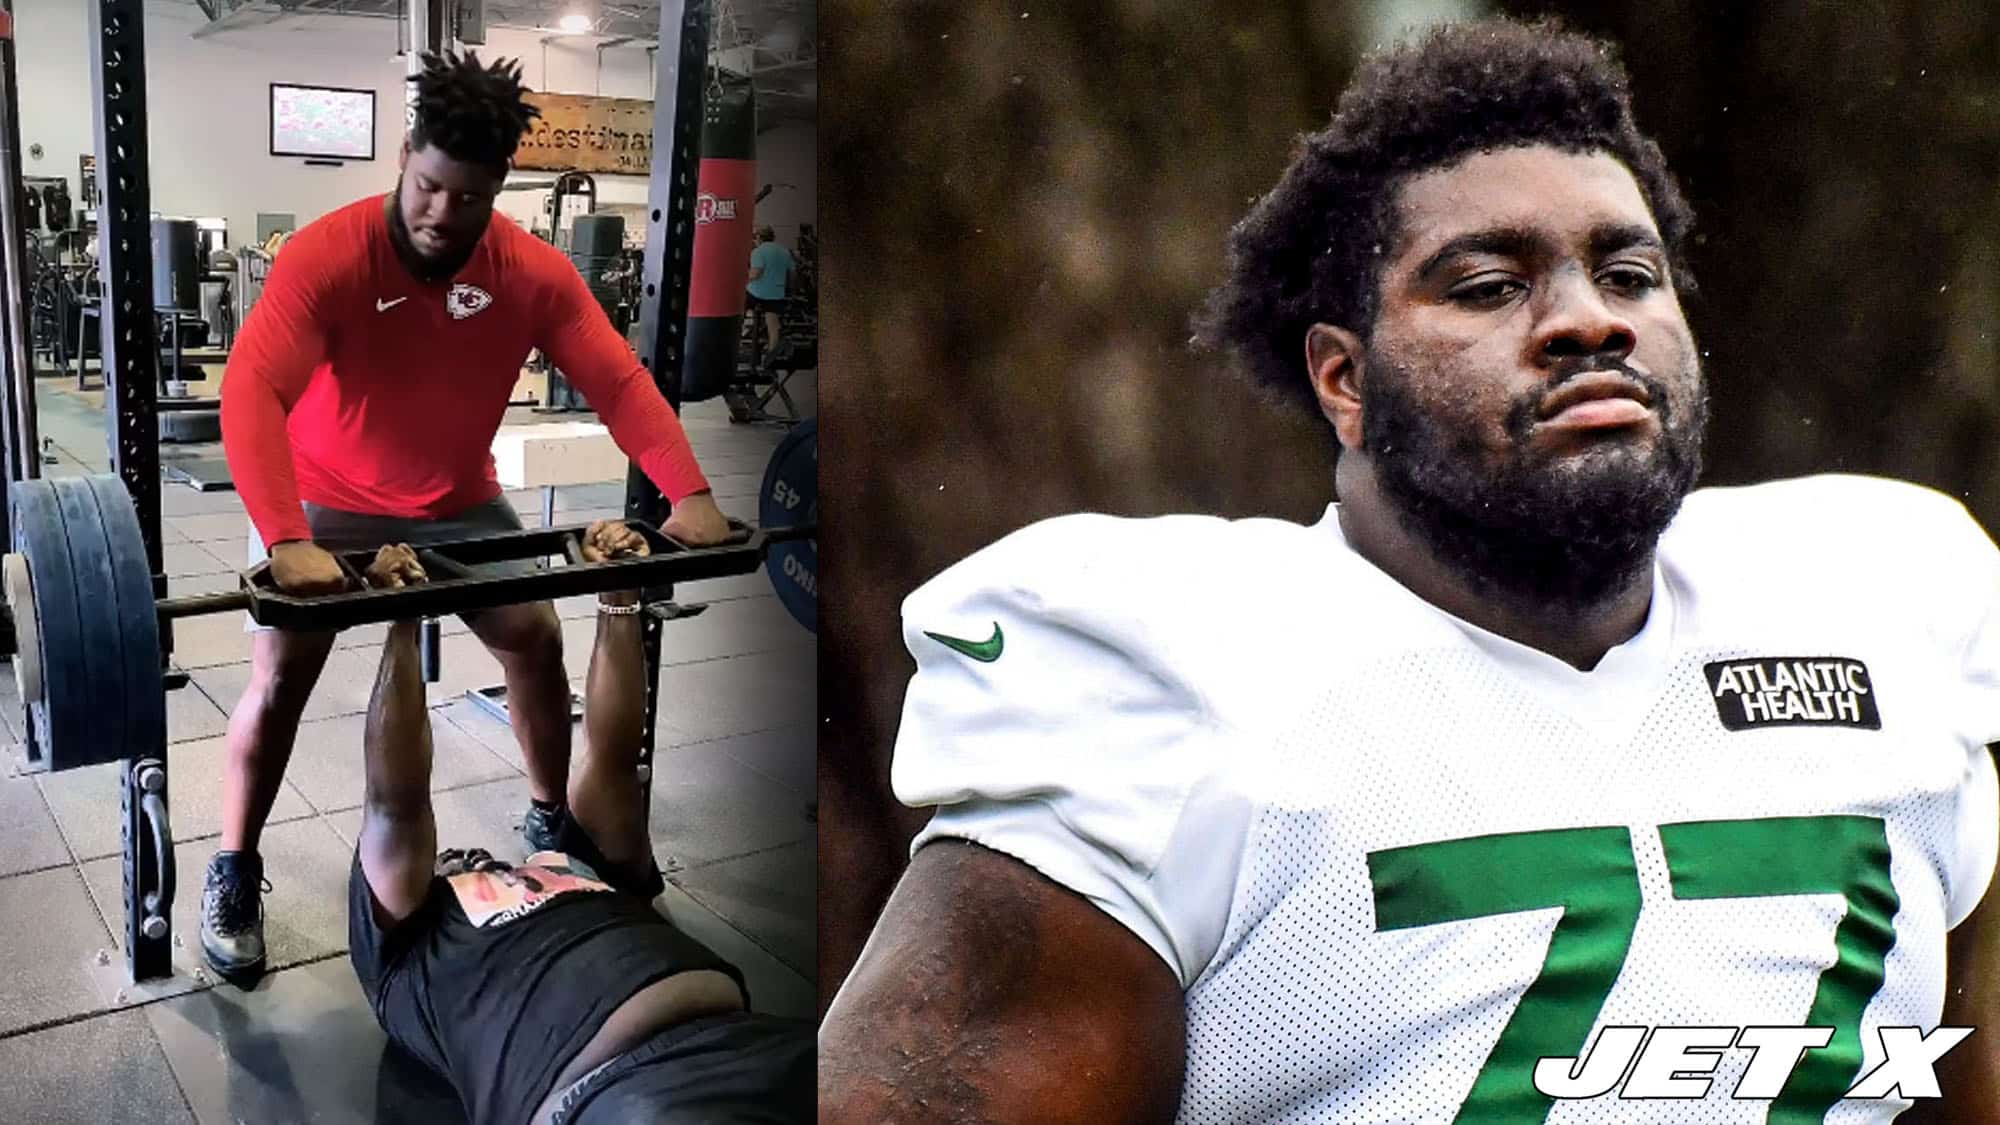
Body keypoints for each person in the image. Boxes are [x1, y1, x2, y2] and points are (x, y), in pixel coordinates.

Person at [819, 18, 2000, 1122]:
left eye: (1628, 274)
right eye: (1490, 286)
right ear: (1342, 377)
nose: (1587, 321)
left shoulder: (1887, 601)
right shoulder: (1178, 684)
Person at [209, 49, 733, 977]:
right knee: (281, 679)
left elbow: (615, 378)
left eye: (469, 199)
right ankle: (234, 866)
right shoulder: (326, 256)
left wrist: (689, 491)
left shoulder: (528, 271)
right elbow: (252, 388)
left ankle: (551, 820)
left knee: (534, 637)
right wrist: (287, 535)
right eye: (427, 187)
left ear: (500, 191)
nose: (441, 215)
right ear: (404, 156)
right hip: (323, 499)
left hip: (457, 497)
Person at [351, 524, 813, 1124]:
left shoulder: (574, 864)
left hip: (759, 1042)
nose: (469, 857)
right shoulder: (400, 949)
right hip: (612, 1091)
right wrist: (404, 621)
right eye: (450, 864)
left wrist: (619, 594)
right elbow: (396, 800)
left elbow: (612, 758)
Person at [745, 226, 794, 364]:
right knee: (773, 323)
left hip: (757, 293)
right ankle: (772, 354)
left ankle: (737, 334)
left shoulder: (758, 252)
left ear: (759, 238)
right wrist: (789, 289)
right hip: (776, 293)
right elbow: (792, 273)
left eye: (755, 237)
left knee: (738, 308)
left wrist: (743, 278)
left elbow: (755, 274)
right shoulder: (784, 251)